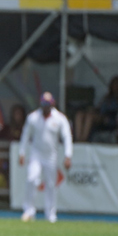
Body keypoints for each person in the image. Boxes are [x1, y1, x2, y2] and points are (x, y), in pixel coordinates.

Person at [18, 92, 73, 223]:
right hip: (36, 155)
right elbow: (25, 135)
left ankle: (50, 214)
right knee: (31, 179)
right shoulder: (33, 117)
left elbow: (67, 137)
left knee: (50, 185)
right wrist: (21, 152)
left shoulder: (59, 118)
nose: (45, 107)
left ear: (52, 104)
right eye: (43, 105)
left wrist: (68, 155)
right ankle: (28, 211)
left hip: (51, 156)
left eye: (48, 105)